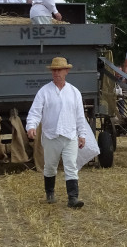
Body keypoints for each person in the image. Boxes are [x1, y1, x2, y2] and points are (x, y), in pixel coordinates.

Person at [26, 57, 91, 208]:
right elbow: (35, 111)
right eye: (54, 70)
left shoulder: (75, 92)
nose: (56, 73)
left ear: (66, 71)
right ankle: (50, 193)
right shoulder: (44, 91)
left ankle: (73, 198)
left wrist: (82, 134)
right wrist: (31, 126)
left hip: (70, 135)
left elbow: (80, 116)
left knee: (71, 166)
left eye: (59, 70)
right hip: (51, 135)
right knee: (50, 166)